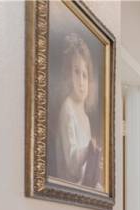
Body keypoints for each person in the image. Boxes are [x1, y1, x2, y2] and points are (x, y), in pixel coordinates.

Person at [54, 33, 102, 189]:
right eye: (76, 72)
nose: (81, 82)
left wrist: (94, 161)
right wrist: (88, 150)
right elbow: (72, 165)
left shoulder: (86, 119)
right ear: (68, 74)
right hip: (70, 186)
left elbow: (84, 170)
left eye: (85, 75)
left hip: (82, 186)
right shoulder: (67, 107)